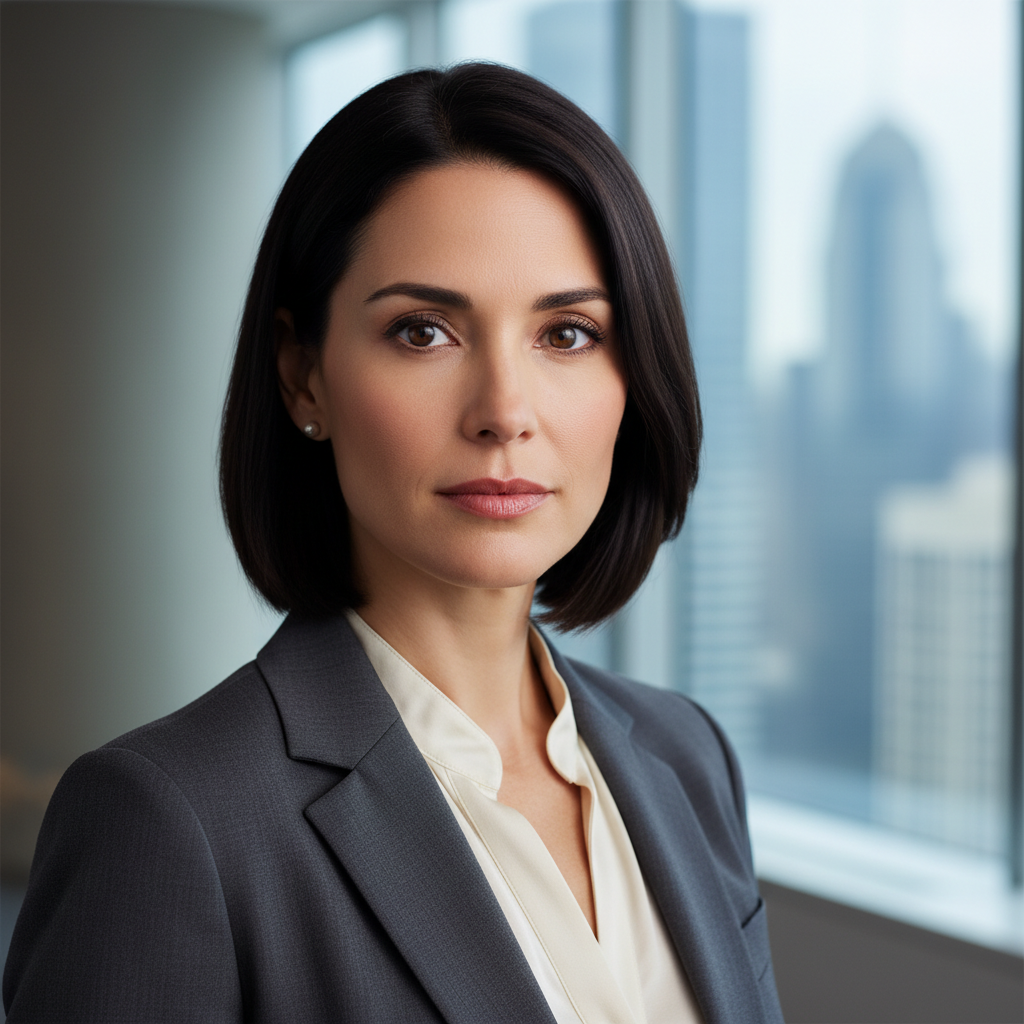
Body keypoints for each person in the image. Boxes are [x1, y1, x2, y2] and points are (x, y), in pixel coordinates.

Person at [3, 63, 784, 1024]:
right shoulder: (170, 823)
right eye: (423, 332)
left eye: (568, 334)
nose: (503, 411)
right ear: (303, 375)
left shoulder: (688, 759)